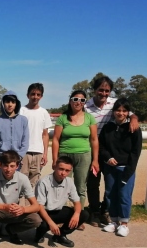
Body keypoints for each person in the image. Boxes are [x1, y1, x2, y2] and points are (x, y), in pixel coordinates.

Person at [85, 76, 139, 227]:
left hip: (110, 150)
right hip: (92, 151)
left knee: (110, 186)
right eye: (100, 90)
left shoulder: (114, 103)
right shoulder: (86, 106)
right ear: (94, 90)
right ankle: (95, 212)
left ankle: (106, 211)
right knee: (93, 183)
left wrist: (134, 118)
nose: (103, 93)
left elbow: (128, 112)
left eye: (107, 90)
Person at [52, 90, 99, 229]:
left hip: (84, 155)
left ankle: (78, 217)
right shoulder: (63, 118)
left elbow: (94, 139)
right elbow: (55, 139)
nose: (78, 102)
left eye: (82, 100)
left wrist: (95, 160)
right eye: (75, 99)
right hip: (65, 155)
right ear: (70, 100)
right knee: (61, 186)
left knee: (80, 187)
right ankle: (61, 215)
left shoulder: (90, 118)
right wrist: (55, 159)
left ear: (85, 103)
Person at [0, 150, 41, 245]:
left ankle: (12, 230)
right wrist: (4, 207)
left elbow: (36, 206)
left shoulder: (23, 178)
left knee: (36, 220)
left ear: (17, 166)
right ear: (0, 164)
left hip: (13, 210)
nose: (8, 169)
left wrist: (22, 209)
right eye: (5, 165)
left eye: (12, 166)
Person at [99, 98, 142, 237]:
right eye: (118, 110)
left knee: (124, 195)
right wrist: (108, 158)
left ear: (128, 113)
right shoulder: (107, 128)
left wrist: (129, 170)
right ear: (113, 112)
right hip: (110, 167)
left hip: (126, 168)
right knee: (110, 194)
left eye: (124, 111)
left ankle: (124, 224)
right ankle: (114, 221)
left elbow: (136, 152)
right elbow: (102, 146)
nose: (121, 113)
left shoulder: (134, 129)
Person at [35, 156, 88, 247]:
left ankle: (60, 235)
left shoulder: (69, 182)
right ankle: (39, 234)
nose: (63, 173)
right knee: (43, 226)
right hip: (44, 212)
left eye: (67, 171)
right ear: (55, 167)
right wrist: (51, 223)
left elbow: (77, 202)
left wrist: (76, 214)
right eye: (61, 169)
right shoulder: (43, 182)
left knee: (84, 214)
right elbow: (40, 207)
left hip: (58, 211)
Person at [19, 83, 52, 189]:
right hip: (24, 152)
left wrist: (45, 153)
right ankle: (21, 204)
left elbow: (45, 135)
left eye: (38, 94)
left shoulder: (44, 112)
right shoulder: (21, 111)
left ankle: (30, 205)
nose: (35, 97)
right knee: (21, 180)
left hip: (38, 152)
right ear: (27, 95)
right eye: (33, 94)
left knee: (34, 181)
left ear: (41, 96)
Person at [0, 90, 29, 170]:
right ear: (3, 103)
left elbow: (25, 142)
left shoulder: (23, 120)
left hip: (16, 161)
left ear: (16, 104)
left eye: (13, 102)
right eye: (7, 101)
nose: (10, 104)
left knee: (14, 182)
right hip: (1, 160)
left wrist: (19, 157)